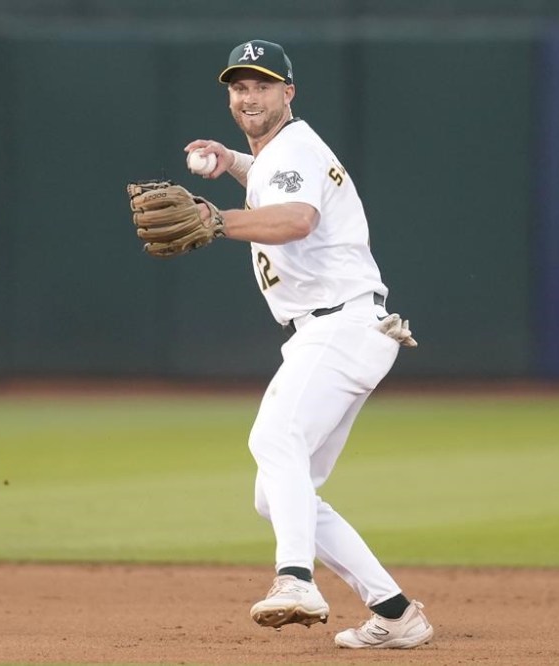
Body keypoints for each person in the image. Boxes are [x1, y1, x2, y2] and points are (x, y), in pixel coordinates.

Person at [184, 39, 433, 650]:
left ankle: (295, 580)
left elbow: (297, 219)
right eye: (240, 87)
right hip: (339, 329)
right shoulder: (280, 153)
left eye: (263, 86)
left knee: (274, 440)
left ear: (288, 92)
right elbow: (274, 182)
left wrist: (217, 220)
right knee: (278, 493)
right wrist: (232, 162)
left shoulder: (292, 147)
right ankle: (396, 612)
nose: (249, 97)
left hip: (339, 326)